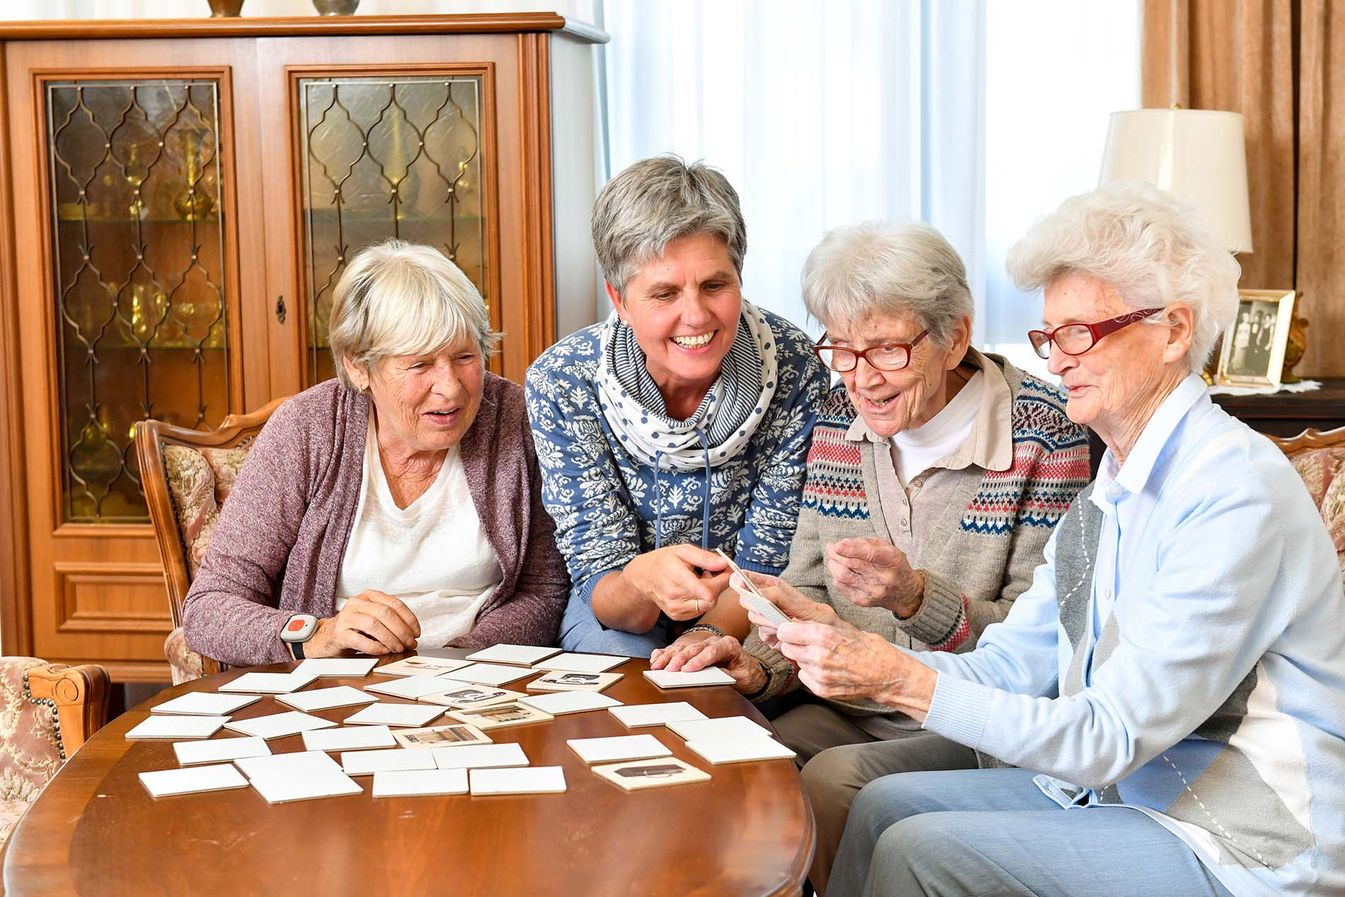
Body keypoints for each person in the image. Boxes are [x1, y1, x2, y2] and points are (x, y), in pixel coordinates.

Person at [739, 184, 1344, 897]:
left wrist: (896, 679)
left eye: (1080, 333)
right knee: (877, 805)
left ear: (1174, 330)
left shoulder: (1231, 491)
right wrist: (863, 652)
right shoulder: (1108, 492)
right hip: (1123, 796)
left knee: (919, 849)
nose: (1057, 360)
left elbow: (1109, 735)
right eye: (1049, 335)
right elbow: (1007, 667)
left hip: (1239, 844)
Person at [651, 222, 1090, 893]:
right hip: (842, 704)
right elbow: (804, 590)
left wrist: (916, 598)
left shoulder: (1044, 432)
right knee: (716, 756)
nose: (861, 380)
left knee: (830, 779)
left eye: (884, 350)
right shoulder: (835, 421)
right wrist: (756, 668)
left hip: (964, 715)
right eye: (843, 351)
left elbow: (1047, 645)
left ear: (955, 337)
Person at [182, 240, 568, 664]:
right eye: (420, 365)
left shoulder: (516, 420)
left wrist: (456, 662)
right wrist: (318, 635)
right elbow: (210, 606)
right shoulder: (307, 429)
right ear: (358, 366)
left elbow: (543, 589)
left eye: (464, 356)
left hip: (479, 680)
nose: (451, 387)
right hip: (339, 690)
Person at [525, 156, 829, 656]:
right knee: (626, 684)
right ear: (619, 299)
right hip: (621, 601)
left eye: (715, 285)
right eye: (664, 293)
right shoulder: (563, 380)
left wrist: (707, 637)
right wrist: (643, 581)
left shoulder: (795, 364)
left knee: (707, 688)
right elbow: (601, 580)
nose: (696, 315)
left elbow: (770, 557)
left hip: (749, 600)